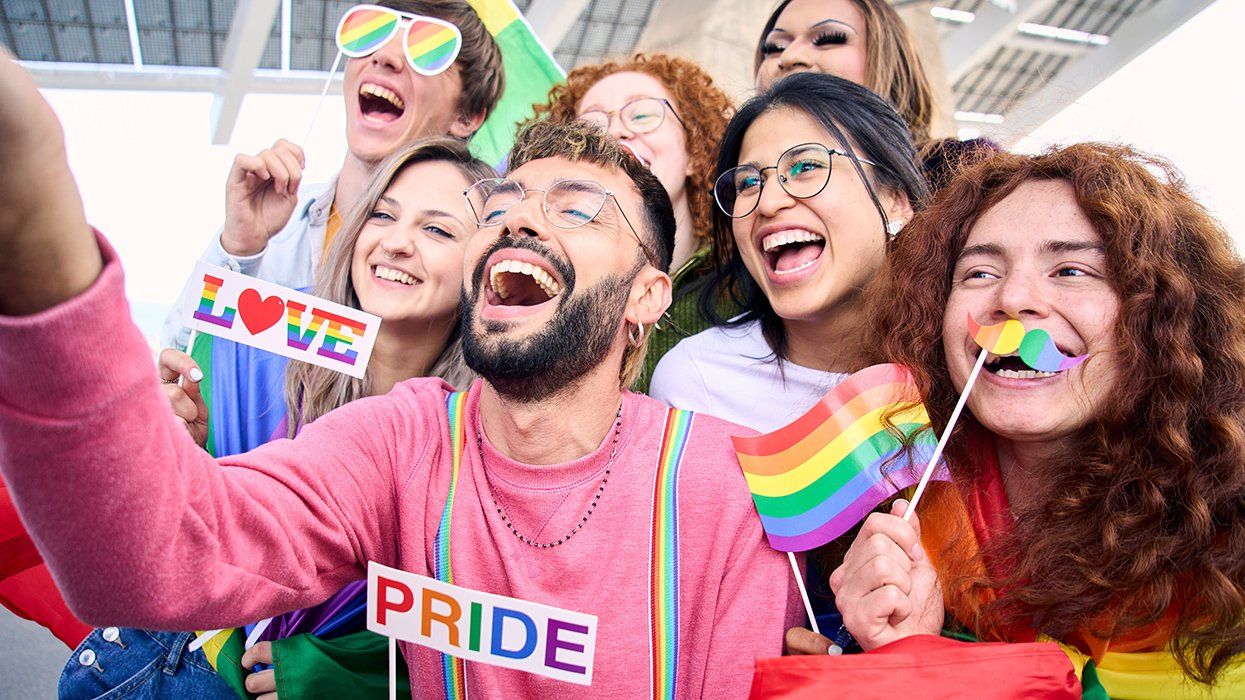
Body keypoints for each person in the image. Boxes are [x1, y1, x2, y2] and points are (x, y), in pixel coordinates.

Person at [0, 49, 799, 700]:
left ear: (647, 296)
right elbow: (162, 555)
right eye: (502, 207)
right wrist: (41, 250)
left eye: (579, 208)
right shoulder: (404, 439)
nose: (518, 217)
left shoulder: (726, 485)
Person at [787, 144, 1245, 695]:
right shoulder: (897, 510)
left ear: (1162, 316)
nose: (1014, 298)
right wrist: (903, 658)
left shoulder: (1226, 531)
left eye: (1072, 270)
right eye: (980, 272)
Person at [59, 137, 491, 699]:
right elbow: (161, 526)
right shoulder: (263, 351)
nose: (396, 242)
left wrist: (353, 676)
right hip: (133, 660)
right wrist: (172, 442)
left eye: (437, 230)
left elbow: (483, 635)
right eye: (382, 214)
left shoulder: (482, 445)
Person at [160, 0, 504, 350]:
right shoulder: (273, 226)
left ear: (468, 116)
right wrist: (239, 249)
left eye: (429, 50)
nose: (385, 57)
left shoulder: (474, 261)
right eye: (370, 33)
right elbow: (180, 354)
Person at [649, 72, 927, 433]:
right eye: (748, 183)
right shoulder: (697, 382)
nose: (767, 201)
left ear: (896, 201)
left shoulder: (966, 360)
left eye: (806, 167)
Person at [531, 53, 734, 391]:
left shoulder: (742, 284)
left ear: (695, 151)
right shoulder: (540, 282)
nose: (615, 131)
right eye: (590, 126)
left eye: (642, 114)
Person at [754, 0, 935, 148]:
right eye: (774, 47)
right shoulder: (730, 181)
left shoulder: (955, 170)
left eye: (828, 38)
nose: (788, 56)